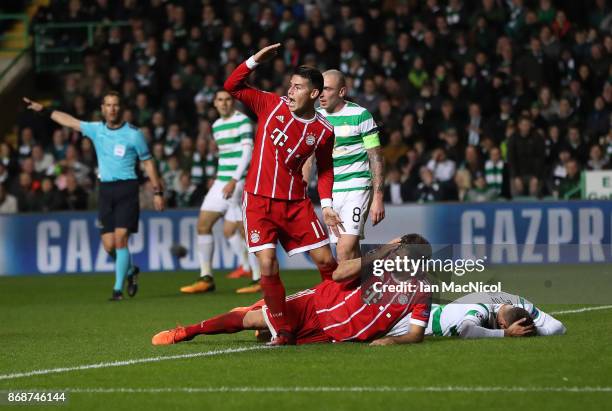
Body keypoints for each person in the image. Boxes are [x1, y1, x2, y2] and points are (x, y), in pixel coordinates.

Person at [223, 43, 344, 345]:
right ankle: (283, 331)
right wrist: (253, 60)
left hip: (295, 204)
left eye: (298, 87)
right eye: (290, 85)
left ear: (314, 94)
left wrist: (326, 205)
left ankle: (340, 313)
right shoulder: (270, 104)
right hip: (259, 201)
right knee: (267, 264)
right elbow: (232, 86)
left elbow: (326, 170)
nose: (290, 91)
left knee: (326, 261)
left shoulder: (324, 130)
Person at [152, 234, 432, 346]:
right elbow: (337, 273)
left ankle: (265, 323)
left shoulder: (420, 291)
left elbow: (416, 334)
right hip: (316, 305)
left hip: (331, 336)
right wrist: (380, 252)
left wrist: (394, 341)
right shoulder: (376, 264)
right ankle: (188, 331)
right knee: (252, 320)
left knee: (268, 336)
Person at [23, 92, 165, 300]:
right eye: (108, 105)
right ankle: (130, 271)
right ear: (103, 108)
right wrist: (43, 110)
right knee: (108, 246)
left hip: (127, 188)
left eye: (115, 105)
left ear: (121, 108)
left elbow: (148, 162)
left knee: (120, 239)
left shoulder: (134, 134)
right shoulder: (96, 130)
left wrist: (157, 192)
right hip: (106, 190)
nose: (112, 109)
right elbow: (69, 121)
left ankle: (117, 290)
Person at [179, 90, 261, 295]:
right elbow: (225, 156)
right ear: (214, 103)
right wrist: (220, 179)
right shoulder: (216, 126)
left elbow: (248, 152)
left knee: (244, 230)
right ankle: (206, 277)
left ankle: (258, 278)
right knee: (203, 224)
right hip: (222, 182)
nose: (224, 104)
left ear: (232, 102)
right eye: (220, 100)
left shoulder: (242, 121)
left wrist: (234, 179)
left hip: (240, 181)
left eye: (227, 100)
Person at [314, 69, 385, 261]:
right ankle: (367, 285)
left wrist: (378, 196)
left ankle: (345, 291)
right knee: (350, 252)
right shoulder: (315, 118)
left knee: (344, 249)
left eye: (327, 89)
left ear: (342, 91)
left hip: (357, 187)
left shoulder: (361, 116)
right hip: (331, 191)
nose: (321, 93)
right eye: (320, 88)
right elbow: (308, 158)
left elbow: (376, 158)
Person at [425, 291, 566, 338]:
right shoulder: (482, 305)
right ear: (503, 324)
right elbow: (466, 330)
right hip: (424, 321)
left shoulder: (521, 304)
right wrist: (507, 333)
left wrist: (530, 330)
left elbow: (559, 326)